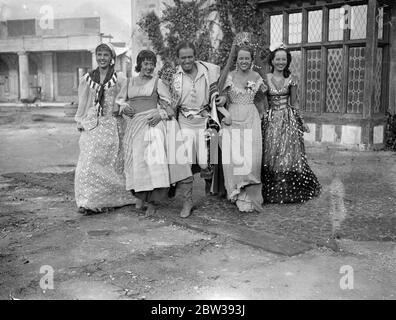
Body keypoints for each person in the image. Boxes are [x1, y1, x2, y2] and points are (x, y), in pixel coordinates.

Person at [116, 50, 192, 216]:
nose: (149, 67)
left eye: (152, 64)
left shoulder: (158, 82)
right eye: (146, 64)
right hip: (134, 125)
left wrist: (160, 114)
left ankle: (153, 202)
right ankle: (140, 196)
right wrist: (123, 108)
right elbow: (119, 102)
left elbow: (170, 108)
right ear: (139, 65)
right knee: (137, 163)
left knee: (153, 163)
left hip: (152, 124)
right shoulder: (128, 82)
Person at [158, 41, 227, 218]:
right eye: (183, 57)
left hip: (204, 120)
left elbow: (224, 84)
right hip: (184, 122)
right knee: (185, 162)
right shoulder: (172, 75)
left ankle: (209, 191)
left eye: (190, 56)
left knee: (206, 161)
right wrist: (167, 107)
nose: (187, 60)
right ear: (178, 58)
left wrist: (222, 98)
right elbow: (162, 95)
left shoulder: (207, 70)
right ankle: (187, 201)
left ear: (195, 56)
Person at [74, 43, 136, 214]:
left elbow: (125, 99)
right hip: (94, 123)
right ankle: (88, 201)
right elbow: (84, 102)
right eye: (99, 54)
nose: (102, 58)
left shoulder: (119, 78)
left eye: (105, 55)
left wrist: (121, 105)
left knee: (113, 163)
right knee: (88, 161)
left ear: (111, 58)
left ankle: (111, 198)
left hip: (113, 125)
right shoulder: (88, 78)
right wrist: (81, 120)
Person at [261, 43, 321, 203]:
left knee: (287, 153)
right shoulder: (264, 79)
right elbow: (261, 101)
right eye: (277, 59)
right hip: (271, 119)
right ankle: (271, 186)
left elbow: (294, 103)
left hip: (288, 120)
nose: (281, 62)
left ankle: (286, 186)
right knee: (271, 152)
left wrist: (302, 121)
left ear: (287, 61)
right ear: (272, 61)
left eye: (284, 59)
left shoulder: (291, 79)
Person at [218, 41, 266, 213]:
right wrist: (224, 102)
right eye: (241, 58)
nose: (244, 61)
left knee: (252, 157)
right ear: (236, 60)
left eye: (247, 58)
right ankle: (237, 192)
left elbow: (261, 97)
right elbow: (222, 95)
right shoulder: (229, 76)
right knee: (235, 157)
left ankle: (250, 193)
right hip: (233, 118)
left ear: (252, 60)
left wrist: (262, 112)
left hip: (251, 118)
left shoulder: (257, 77)